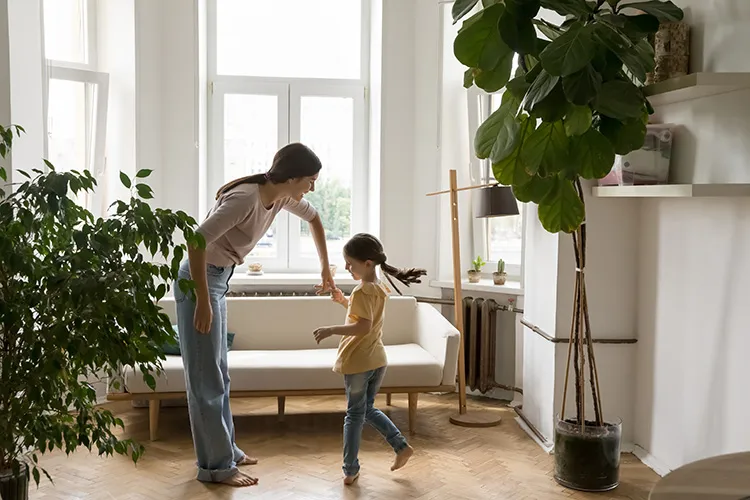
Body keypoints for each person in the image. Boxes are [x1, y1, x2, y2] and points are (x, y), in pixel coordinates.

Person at [173, 143, 336, 487]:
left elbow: (316, 218)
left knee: (219, 373)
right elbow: (197, 241)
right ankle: (216, 468)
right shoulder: (246, 198)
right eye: (310, 181)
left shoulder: (280, 196)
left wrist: (326, 270)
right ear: (292, 177)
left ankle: (227, 450)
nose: (312, 188)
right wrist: (202, 300)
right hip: (198, 280)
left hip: (219, 278)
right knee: (205, 380)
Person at [312, 233, 426, 485]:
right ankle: (401, 446)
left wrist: (331, 329)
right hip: (377, 359)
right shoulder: (378, 288)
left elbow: (363, 326)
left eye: (349, 263)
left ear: (367, 263)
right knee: (367, 409)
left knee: (354, 414)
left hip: (360, 361)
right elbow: (364, 316)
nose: (346, 267)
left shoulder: (363, 291)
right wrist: (343, 300)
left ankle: (350, 469)